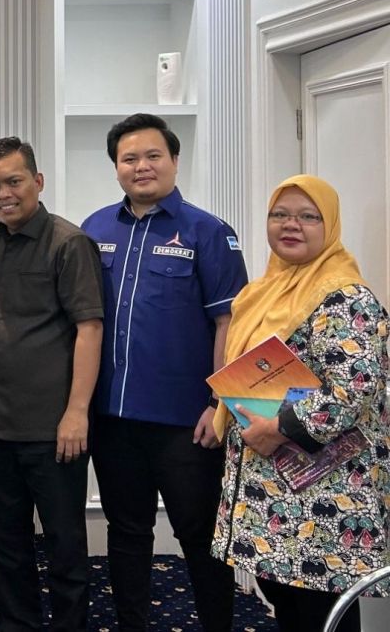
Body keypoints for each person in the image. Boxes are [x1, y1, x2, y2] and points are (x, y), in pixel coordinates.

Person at [81, 113, 246, 631]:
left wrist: (219, 404)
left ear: (174, 159)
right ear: (116, 167)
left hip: (186, 422)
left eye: (153, 155)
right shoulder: (94, 229)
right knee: (127, 532)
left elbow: (229, 324)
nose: (142, 166)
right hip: (113, 417)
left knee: (199, 536)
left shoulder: (209, 232)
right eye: (129, 158)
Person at [212, 175, 390, 632]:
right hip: (270, 488)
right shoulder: (262, 291)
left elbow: (352, 389)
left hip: (321, 490)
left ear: (329, 225)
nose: (291, 225)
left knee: (321, 611)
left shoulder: (344, 296)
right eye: (280, 214)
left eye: (308, 216)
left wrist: (277, 428)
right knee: (288, 603)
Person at [0, 137, 103, 632]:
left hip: (54, 428)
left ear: (38, 181)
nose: (3, 194)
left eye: (13, 181)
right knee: (5, 543)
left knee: (65, 545)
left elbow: (90, 330)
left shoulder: (69, 243)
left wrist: (77, 412)